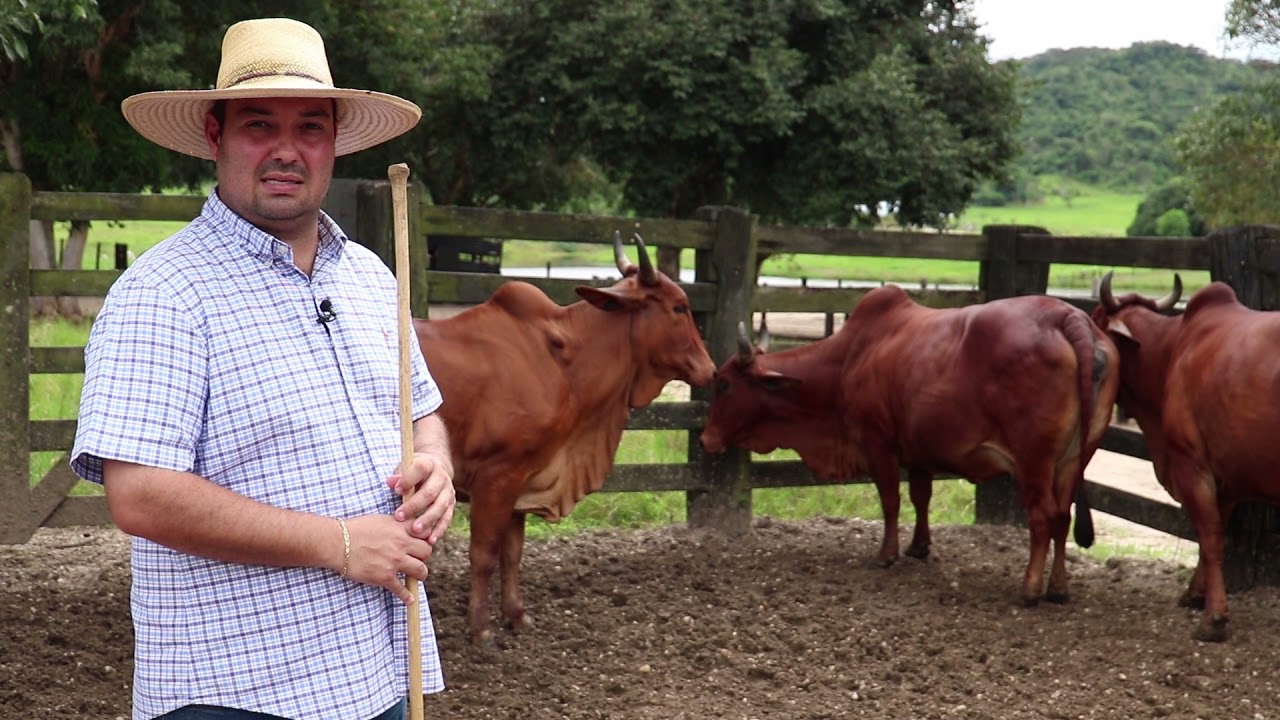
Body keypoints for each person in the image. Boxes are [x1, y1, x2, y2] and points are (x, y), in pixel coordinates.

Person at [70, 17, 456, 720]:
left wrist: (436, 467)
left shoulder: (370, 275)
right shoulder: (164, 292)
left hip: (379, 667)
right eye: (258, 125)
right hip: (237, 692)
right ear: (216, 136)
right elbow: (140, 495)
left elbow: (422, 411)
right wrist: (338, 544)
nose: (287, 151)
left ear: (334, 140)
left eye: (310, 126)